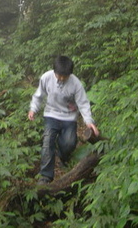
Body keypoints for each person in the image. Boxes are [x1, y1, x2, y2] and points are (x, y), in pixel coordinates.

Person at [28, 55, 100, 184]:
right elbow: (39, 95)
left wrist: (89, 122)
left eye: (64, 76)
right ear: (54, 71)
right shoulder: (46, 78)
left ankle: (62, 156)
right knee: (47, 141)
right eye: (59, 75)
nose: (61, 78)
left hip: (69, 117)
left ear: (70, 74)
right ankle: (46, 176)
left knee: (69, 143)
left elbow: (83, 103)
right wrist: (33, 109)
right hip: (51, 114)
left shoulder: (76, 84)